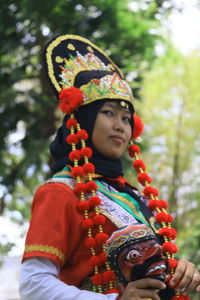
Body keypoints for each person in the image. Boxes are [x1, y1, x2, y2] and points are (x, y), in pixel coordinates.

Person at [19, 34, 200, 300]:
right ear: (83, 119)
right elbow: (33, 285)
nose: (120, 125)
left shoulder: (134, 197)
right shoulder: (60, 191)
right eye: (108, 113)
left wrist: (184, 273)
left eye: (126, 118)